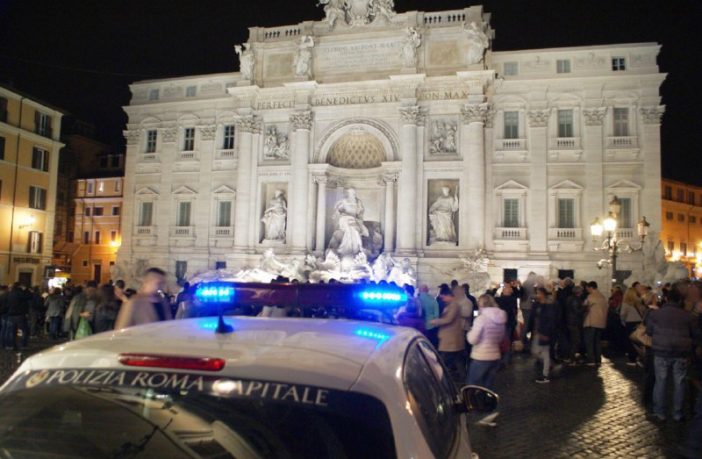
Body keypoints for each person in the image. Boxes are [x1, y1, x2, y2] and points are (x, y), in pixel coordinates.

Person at [646, 281, 700, 422]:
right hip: (681, 352)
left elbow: (649, 331)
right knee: (679, 382)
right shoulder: (688, 316)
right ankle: (677, 413)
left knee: (661, 382)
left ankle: (660, 412)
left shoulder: (656, 314)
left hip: (661, 351)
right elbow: (695, 335)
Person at [467, 294, 507, 390]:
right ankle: (486, 403)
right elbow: (500, 338)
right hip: (495, 356)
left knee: (472, 385)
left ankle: (473, 404)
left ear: (481, 304)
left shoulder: (481, 319)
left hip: (481, 356)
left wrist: (469, 332)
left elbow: (472, 340)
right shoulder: (501, 318)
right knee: (488, 387)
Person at [430, 285, 465, 383]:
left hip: (450, 339)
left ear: (449, 295)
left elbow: (449, 319)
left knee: (444, 360)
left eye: (444, 297)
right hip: (452, 338)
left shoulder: (454, 305)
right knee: (457, 360)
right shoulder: (452, 304)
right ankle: (462, 378)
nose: (443, 299)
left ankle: (441, 379)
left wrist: (436, 321)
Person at [527, 287, 558, 383]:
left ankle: (545, 375)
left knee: (544, 352)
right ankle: (549, 365)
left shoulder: (549, 305)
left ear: (543, 294)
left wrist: (546, 333)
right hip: (537, 331)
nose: (537, 295)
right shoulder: (536, 304)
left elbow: (551, 320)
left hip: (544, 332)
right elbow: (533, 317)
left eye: (539, 293)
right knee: (536, 351)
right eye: (536, 293)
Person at [583, 281, 608, 366]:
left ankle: (591, 359)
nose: (587, 290)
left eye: (587, 289)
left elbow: (585, 307)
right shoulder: (603, 297)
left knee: (589, 341)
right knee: (597, 341)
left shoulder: (590, 297)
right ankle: (598, 359)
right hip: (601, 323)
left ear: (591, 288)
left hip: (591, 322)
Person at [1, 283, 30, 350]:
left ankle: (12, 345)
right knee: (24, 330)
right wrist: (26, 290)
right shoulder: (20, 294)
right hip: (20, 314)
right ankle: (23, 344)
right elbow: (29, 296)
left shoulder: (9, 294)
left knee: (12, 331)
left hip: (11, 314)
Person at [620, 287, 645, 366]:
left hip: (630, 323)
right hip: (639, 323)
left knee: (630, 341)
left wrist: (623, 322)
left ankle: (632, 359)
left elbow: (622, 314)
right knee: (638, 340)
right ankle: (640, 357)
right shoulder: (640, 302)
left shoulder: (626, 304)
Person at [565, 286, 585, 364]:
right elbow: (577, 311)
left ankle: (571, 357)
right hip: (574, 322)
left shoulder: (570, 298)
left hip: (571, 321)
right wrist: (584, 306)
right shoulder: (575, 300)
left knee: (574, 340)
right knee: (576, 341)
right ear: (578, 292)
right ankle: (572, 358)